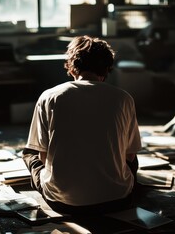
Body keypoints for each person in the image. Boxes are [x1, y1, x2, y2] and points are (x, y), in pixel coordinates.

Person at [22, 35, 142, 215]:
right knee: (131, 161)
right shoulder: (123, 98)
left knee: (30, 153)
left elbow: (44, 156)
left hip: (63, 202)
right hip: (117, 200)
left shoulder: (49, 96)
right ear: (107, 69)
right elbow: (130, 155)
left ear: (71, 68)